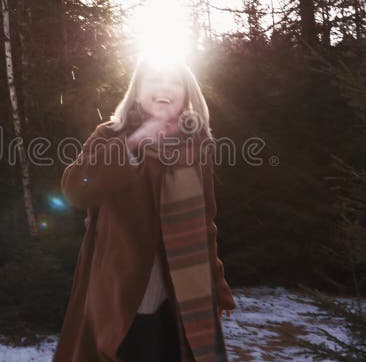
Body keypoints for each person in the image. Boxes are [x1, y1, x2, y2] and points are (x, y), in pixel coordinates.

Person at [52, 59, 237, 362]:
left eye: (175, 81)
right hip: (119, 295)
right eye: (154, 79)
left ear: (187, 95)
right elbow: (75, 189)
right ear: (137, 93)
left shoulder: (197, 145)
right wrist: (134, 143)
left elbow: (205, 223)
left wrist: (217, 286)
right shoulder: (110, 135)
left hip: (180, 297)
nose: (164, 87)